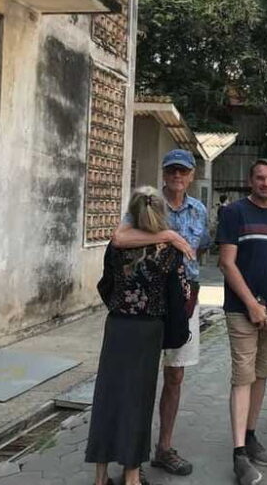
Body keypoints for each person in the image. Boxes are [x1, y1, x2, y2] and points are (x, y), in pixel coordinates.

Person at [111, 149, 210, 478]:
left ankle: (163, 448)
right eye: (172, 172)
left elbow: (200, 252)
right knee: (140, 378)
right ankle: (131, 454)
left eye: (183, 172)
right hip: (148, 302)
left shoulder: (199, 210)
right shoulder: (148, 202)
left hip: (184, 299)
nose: (177, 178)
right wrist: (166, 235)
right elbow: (119, 238)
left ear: (192, 176)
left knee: (176, 374)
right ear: (164, 174)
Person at [87, 187, 190, 485]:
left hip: (117, 326)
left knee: (108, 397)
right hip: (148, 330)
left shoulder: (117, 246)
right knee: (138, 401)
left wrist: (121, 305)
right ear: (161, 213)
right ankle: (132, 475)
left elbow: (105, 284)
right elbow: (179, 295)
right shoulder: (169, 252)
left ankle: (100, 476)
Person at [217, 159, 267, 485]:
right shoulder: (234, 213)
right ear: (250, 180)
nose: (265, 183)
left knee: (262, 375)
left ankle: (250, 435)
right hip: (241, 310)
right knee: (243, 376)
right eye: (260, 178)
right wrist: (250, 303)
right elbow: (226, 262)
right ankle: (238, 453)